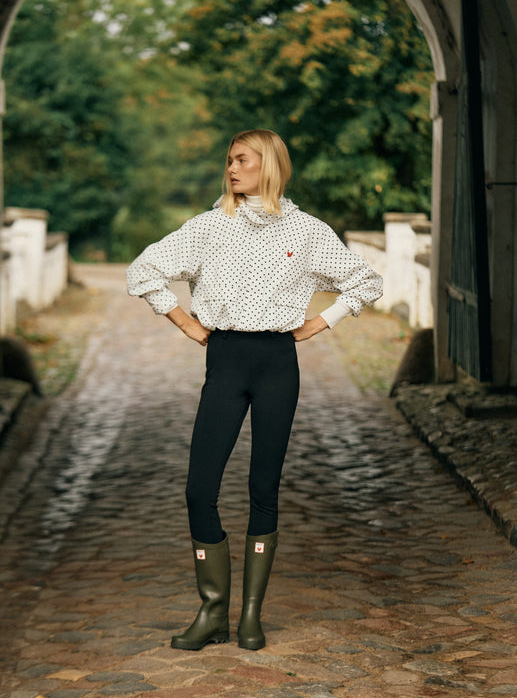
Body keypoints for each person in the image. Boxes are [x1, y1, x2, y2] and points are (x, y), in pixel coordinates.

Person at [127, 129, 383, 652]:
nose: (231, 168)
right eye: (228, 160)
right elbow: (144, 269)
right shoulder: (207, 227)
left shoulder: (307, 231)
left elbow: (366, 280)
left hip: (277, 364)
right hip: (225, 360)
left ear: (268, 164)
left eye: (241, 159)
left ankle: (249, 615)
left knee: (264, 487)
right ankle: (211, 610)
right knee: (199, 489)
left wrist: (322, 322)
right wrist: (185, 321)